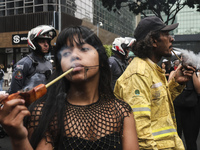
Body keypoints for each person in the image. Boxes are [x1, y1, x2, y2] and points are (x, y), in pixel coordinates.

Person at [0, 26, 139, 150]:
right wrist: (19, 139)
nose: (74, 56)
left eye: (84, 49)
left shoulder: (122, 112)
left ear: (101, 61)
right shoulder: (44, 113)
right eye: (66, 53)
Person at [114, 16, 195, 149]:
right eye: (166, 34)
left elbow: (158, 106)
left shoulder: (150, 69)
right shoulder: (138, 74)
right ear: (153, 41)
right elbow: (141, 135)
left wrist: (177, 83)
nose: (172, 38)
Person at [9, 25, 57, 94]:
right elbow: (14, 92)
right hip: (28, 104)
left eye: (47, 42)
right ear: (33, 43)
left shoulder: (48, 63)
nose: (46, 45)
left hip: (46, 103)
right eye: (42, 41)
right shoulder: (24, 64)